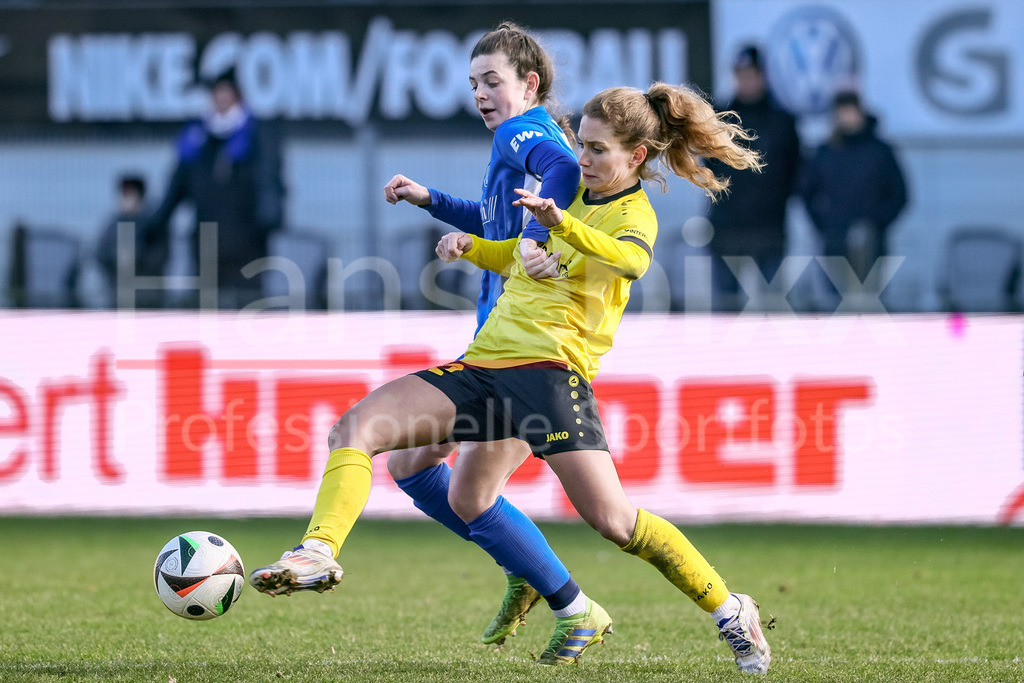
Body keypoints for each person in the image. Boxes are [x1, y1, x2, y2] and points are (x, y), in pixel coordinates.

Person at [251, 82, 772, 674]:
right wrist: (473, 247)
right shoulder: (567, 191)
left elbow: (630, 260)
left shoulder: (633, 214)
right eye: (582, 145)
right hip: (485, 363)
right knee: (358, 430)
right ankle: (317, 550)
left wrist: (560, 224)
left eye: (598, 149)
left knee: (615, 522)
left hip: (550, 377)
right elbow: (518, 254)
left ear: (637, 156)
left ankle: (730, 609)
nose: (583, 159)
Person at [377, 22, 585, 650]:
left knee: (467, 493)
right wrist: (428, 199)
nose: (480, 94)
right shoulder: (518, 141)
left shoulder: (521, 133)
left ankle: (568, 601)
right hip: (500, 347)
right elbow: (493, 220)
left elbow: (564, 170)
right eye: (473, 84)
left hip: (522, 356)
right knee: (415, 465)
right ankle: (528, 570)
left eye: (492, 81)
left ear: (530, 83)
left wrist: (539, 238)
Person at [146, 69, 285, 309]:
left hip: (246, 241)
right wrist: (156, 223)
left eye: (226, 94)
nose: (221, 100)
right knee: (206, 307)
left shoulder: (257, 135)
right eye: (216, 94)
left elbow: (268, 182)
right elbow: (177, 186)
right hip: (206, 241)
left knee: (249, 306)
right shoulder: (197, 137)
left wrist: (268, 221)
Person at [705, 45, 800, 311]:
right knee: (726, 309)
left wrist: (774, 202)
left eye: (751, 74)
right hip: (727, 227)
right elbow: (708, 168)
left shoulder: (782, 122)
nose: (746, 81)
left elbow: (794, 171)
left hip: (769, 227)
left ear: (763, 76)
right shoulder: (720, 118)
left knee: (773, 307)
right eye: (741, 75)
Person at [799, 89, 908, 309]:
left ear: (860, 112)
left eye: (850, 112)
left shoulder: (880, 151)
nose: (846, 118)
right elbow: (806, 192)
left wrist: (878, 223)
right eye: (842, 112)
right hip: (835, 242)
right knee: (836, 305)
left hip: (873, 244)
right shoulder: (826, 152)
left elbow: (899, 194)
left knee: (871, 304)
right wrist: (824, 225)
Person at [95, 174, 168, 308]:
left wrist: (133, 259)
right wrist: (117, 261)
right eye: (124, 194)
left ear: (141, 196)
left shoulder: (153, 225)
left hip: (148, 297)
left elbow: (159, 258)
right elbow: (100, 255)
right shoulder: (112, 225)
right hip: (118, 294)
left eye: (130, 194)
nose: (126, 198)